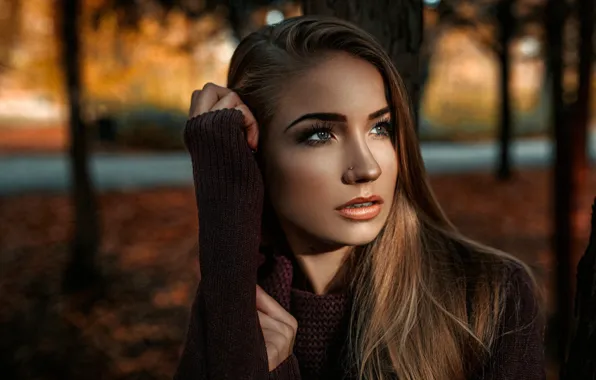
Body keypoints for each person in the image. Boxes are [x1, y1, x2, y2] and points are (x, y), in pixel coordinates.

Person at [174, 15, 546, 380]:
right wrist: (226, 192)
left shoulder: (489, 296)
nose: (367, 168)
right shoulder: (237, 294)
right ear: (255, 153)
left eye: (379, 128)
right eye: (319, 135)